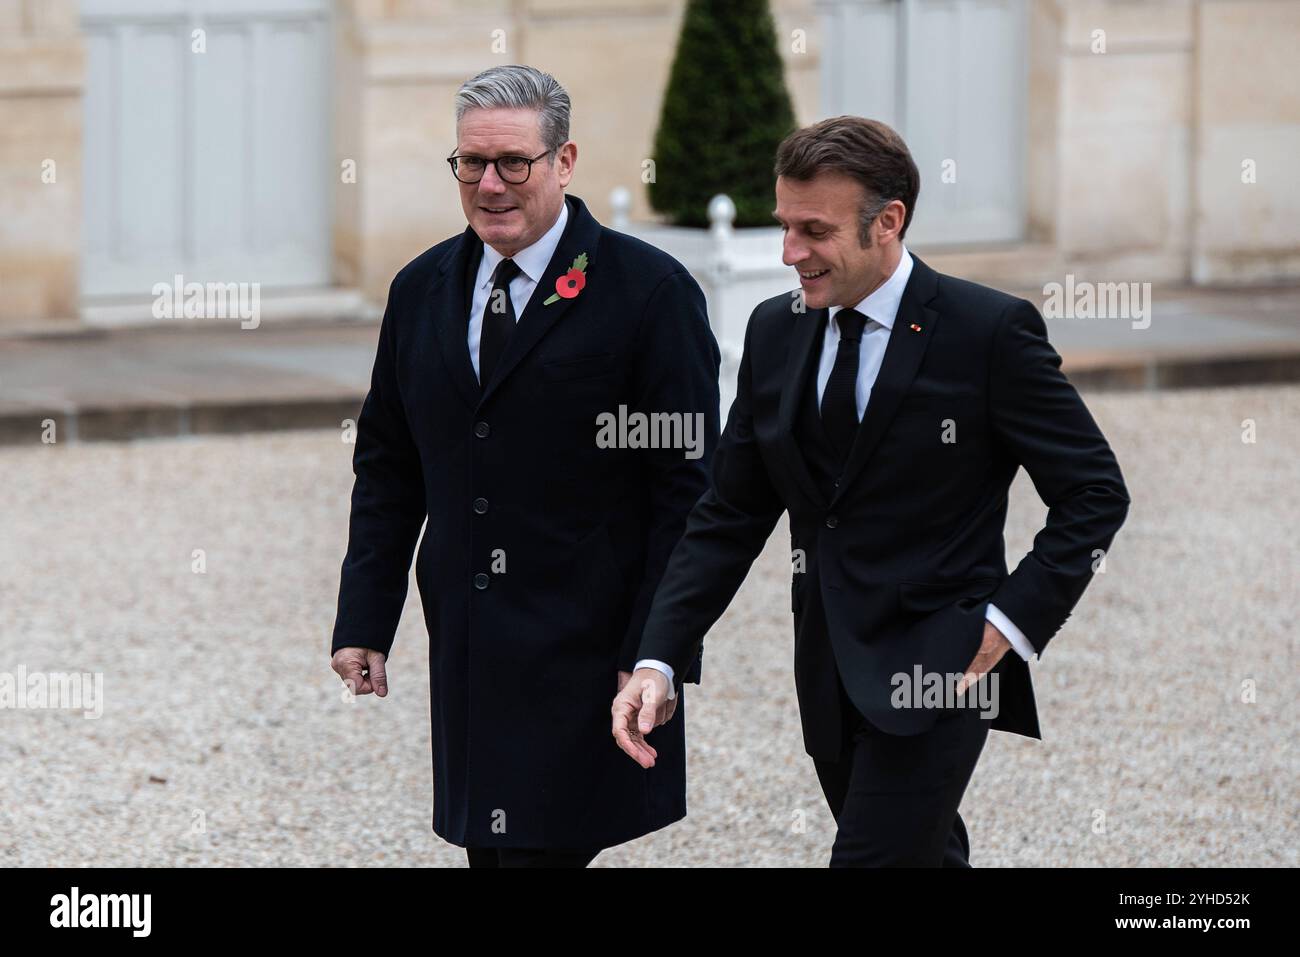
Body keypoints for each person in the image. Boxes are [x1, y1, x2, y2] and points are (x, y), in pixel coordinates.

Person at [613, 115, 1130, 866]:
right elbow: (728, 514)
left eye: (813, 231)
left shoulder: (988, 333)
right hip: (825, 671)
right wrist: (658, 656)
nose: (790, 253)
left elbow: (1094, 492)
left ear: (888, 222)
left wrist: (1006, 629)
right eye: (785, 226)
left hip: (946, 671)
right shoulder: (774, 329)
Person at [332, 64, 719, 867]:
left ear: (565, 161)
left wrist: (657, 649)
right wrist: (366, 615)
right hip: (470, 642)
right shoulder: (420, 289)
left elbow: (686, 491)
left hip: (589, 646)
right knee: (493, 847)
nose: (490, 184)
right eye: (471, 164)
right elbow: (389, 463)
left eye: (515, 162)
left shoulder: (648, 293)